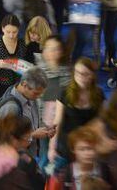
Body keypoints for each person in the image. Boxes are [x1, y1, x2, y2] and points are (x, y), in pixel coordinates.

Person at [48, 57, 104, 168]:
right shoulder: (65, 93)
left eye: (85, 74)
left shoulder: (98, 94)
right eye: (77, 73)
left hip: (88, 145)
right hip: (67, 144)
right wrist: (52, 148)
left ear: (92, 75)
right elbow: (57, 122)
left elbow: (100, 122)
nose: (81, 77)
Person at [0, 66, 54, 157]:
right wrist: (33, 135)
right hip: (14, 159)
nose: (38, 96)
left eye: (40, 93)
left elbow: (32, 124)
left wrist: (45, 129)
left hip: (29, 156)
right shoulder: (10, 107)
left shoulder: (30, 97)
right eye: (36, 93)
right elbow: (5, 138)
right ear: (24, 84)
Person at [0, 114, 45, 189]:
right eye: (28, 137)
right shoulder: (22, 161)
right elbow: (39, 185)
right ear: (14, 139)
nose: (29, 141)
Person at [35, 35, 71, 169]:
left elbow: (69, 97)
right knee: (45, 156)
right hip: (44, 123)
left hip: (62, 122)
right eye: (49, 49)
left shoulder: (66, 72)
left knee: (61, 155)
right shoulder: (38, 71)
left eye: (56, 49)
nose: (52, 53)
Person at [47, 126, 114, 189]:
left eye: (91, 148)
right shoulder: (68, 172)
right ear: (73, 150)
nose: (87, 153)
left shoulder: (103, 169)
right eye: (82, 149)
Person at [0, 14, 27, 100]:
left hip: (21, 89)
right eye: (8, 32)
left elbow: (29, 66)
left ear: (18, 30)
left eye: (14, 32)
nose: (11, 35)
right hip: (1, 90)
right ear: (2, 29)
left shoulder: (23, 44)